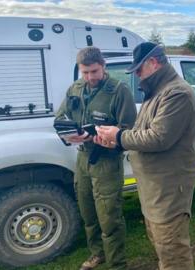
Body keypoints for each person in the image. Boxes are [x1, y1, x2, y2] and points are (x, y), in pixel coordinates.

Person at [94, 41, 195, 270]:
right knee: (161, 245)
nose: (138, 75)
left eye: (139, 69)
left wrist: (119, 136)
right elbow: (142, 134)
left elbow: (159, 138)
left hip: (169, 188)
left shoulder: (176, 93)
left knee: (172, 252)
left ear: (153, 63)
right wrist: (114, 141)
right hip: (154, 188)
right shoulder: (157, 91)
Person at [55, 46, 136, 270]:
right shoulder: (75, 88)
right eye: (85, 72)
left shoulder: (119, 91)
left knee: (110, 217)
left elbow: (129, 130)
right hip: (82, 160)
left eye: (94, 72)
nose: (90, 77)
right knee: (88, 213)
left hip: (107, 161)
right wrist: (69, 133)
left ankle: (117, 264)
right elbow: (61, 117)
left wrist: (110, 136)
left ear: (103, 67)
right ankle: (97, 254)